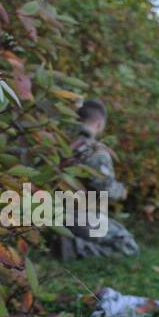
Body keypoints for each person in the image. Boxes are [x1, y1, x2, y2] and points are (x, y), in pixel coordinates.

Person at [54, 99, 141, 261]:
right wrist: (121, 191)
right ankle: (71, 247)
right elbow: (105, 190)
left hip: (44, 209)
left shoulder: (56, 139)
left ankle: (55, 236)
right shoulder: (94, 151)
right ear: (100, 123)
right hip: (74, 215)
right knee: (128, 246)